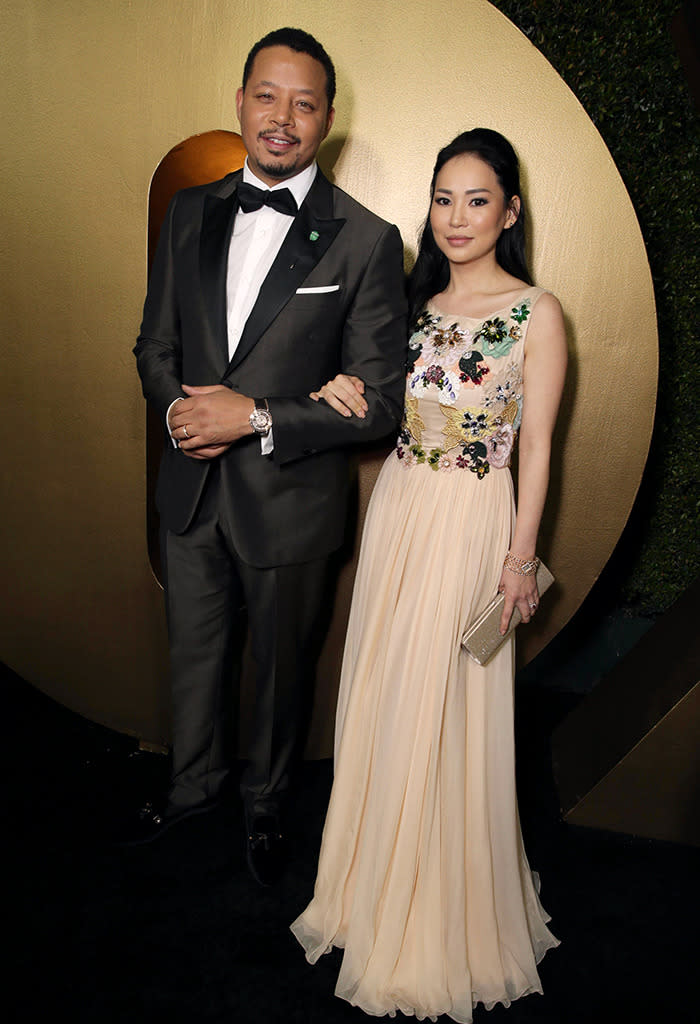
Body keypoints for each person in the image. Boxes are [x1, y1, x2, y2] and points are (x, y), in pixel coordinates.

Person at [291, 128, 567, 1019]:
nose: (456, 216)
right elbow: (377, 405)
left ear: (510, 211)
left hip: (473, 520)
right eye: (443, 197)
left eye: (477, 199)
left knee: (445, 705)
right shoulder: (409, 304)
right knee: (384, 696)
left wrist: (520, 562)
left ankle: (441, 914)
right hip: (402, 512)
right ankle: (372, 893)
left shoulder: (538, 312)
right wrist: (338, 393)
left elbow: (541, 450)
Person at [131, 27, 407, 885]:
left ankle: (264, 807)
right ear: (242, 99)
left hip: (291, 499)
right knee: (194, 654)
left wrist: (251, 417)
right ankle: (191, 788)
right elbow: (153, 343)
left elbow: (383, 403)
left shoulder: (365, 240)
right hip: (190, 489)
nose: (282, 117)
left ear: (327, 118)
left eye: (304, 102)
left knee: (282, 674)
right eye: (267, 95)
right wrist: (184, 411)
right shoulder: (189, 211)